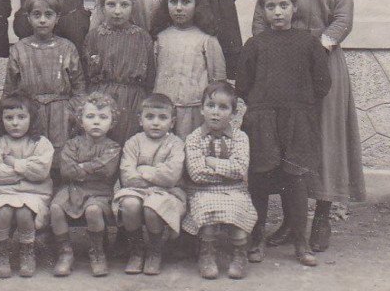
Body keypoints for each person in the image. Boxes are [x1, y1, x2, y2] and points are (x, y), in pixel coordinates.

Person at [252, 0, 366, 251]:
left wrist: (317, 50)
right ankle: (291, 220)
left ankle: (321, 218)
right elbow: (260, 20)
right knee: (290, 139)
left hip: (322, 62)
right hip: (284, 69)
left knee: (324, 138)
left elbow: (343, 20)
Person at [237, 0, 332, 267]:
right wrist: (261, 105)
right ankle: (256, 240)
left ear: (294, 7)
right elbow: (243, 83)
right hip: (262, 119)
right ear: (263, 11)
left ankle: (301, 244)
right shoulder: (255, 44)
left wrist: (300, 105)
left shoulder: (308, 43)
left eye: (283, 5)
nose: (277, 12)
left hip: (297, 120)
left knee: (296, 180)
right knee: (259, 179)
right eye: (270, 7)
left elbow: (322, 82)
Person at [184, 82, 258, 280]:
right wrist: (227, 169)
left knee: (239, 213)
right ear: (201, 109)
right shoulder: (194, 139)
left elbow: (240, 169)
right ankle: (207, 254)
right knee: (206, 213)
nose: (215, 112)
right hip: (203, 191)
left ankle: (240, 254)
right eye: (211, 106)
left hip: (236, 190)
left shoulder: (240, 138)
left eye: (223, 107)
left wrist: (212, 162)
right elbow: (196, 174)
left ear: (233, 113)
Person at [3, 0, 85, 163]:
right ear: (28, 18)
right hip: (31, 112)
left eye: (48, 15)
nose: (42, 20)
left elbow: (79, 88)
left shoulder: (67, 47)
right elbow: (10, 90)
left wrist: (70, 112)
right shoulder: (20, 49)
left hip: (61, 113)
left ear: (57, 18)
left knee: (60, 159)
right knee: (33, 157)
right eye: (36, 14)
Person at [112, 93, 187, 276]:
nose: (155, 122)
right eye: (150, 117)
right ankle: (136, 250)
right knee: (130, 204)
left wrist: (144, 170)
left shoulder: (175, 144)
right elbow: (127, 175)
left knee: (153, 207)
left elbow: (171, 175)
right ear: (140, 119)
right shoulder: (133, 142)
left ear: (172, 122)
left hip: (167, 193)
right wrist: (156, 173)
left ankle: (155, 250)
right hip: (136, 190)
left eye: (163, 118)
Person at [0, 91, 54, 278]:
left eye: (21, 117)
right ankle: (1, 253)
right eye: (9, 118)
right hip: (2, 192)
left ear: (32, 118)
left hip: (34, 193)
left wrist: (13, 163)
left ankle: (27, 252)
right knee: (4, 211)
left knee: (24, 212)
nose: (15, 123)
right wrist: (25, 173)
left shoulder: (40, 143)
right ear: (1, 119)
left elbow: (41, 172)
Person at [50, 92, 122, 277]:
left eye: (103, 117)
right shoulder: (73, 144)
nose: (96, 121)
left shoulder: (113, 147)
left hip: (100, 192)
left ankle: (97, 252)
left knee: (93, 211)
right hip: (72, 190)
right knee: (56, 207)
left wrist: (80, 167)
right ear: (81, 121)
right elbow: (66, 170)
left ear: (112, 122)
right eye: (90, 117)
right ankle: (65, 253)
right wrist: (91, 168)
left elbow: (107, 169)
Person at [83, 0, 155, 144]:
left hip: (132, 100)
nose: (117, 11)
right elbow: (86, 74)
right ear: (101, 6)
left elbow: (150, 75)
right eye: (111, 4)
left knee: (128, 143)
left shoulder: (141, 37)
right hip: (101, 98)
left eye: (124, 5)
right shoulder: (94, 36)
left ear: (133, 7)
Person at [151, 0, 227, 139]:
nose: (179, 8)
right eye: (173, 2)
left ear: (197, 5)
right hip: (164, 109)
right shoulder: (161, 38)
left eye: (185, 2)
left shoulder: (207, 39)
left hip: (195, 110)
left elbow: (218, 79)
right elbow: (153, 74)